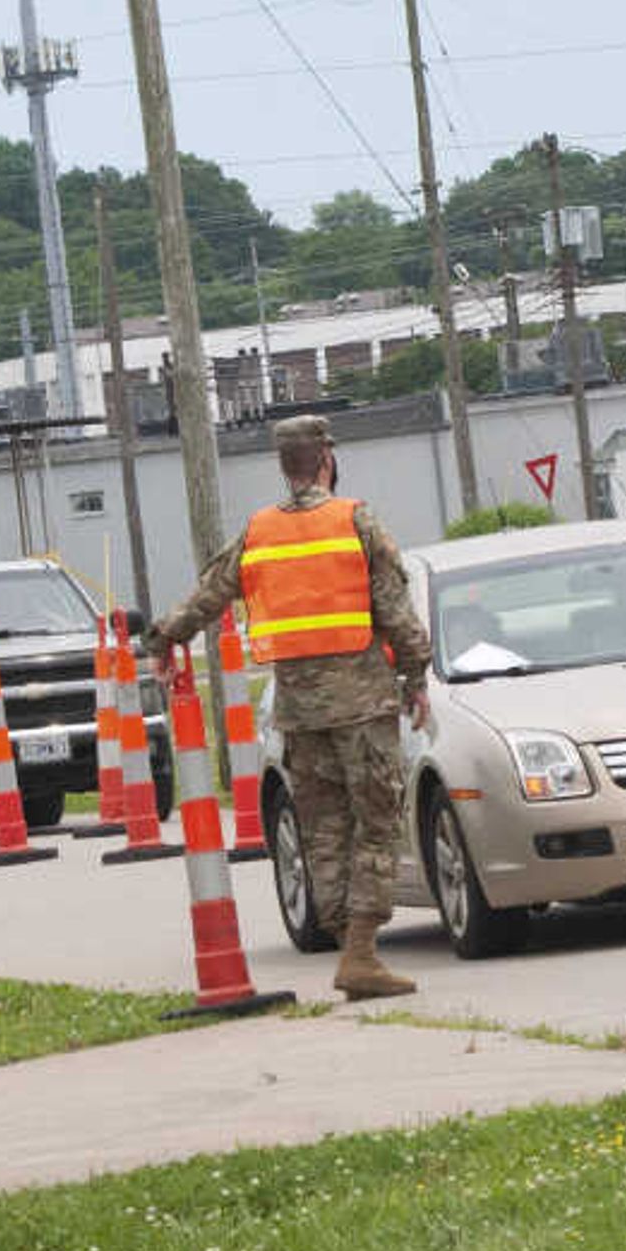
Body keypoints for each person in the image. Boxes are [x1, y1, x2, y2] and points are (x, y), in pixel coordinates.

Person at [145, 414, 433, 999]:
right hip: (363, 708)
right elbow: (397, 613)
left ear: (285, 465)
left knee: (322, 829)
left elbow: (210, 591)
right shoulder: (355, 520)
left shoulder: (259, 532)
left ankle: (339, 935)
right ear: (326, 458)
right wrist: (416, 676)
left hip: (299, 713)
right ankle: (359, 952)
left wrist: (167, 638)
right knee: (375, 826)